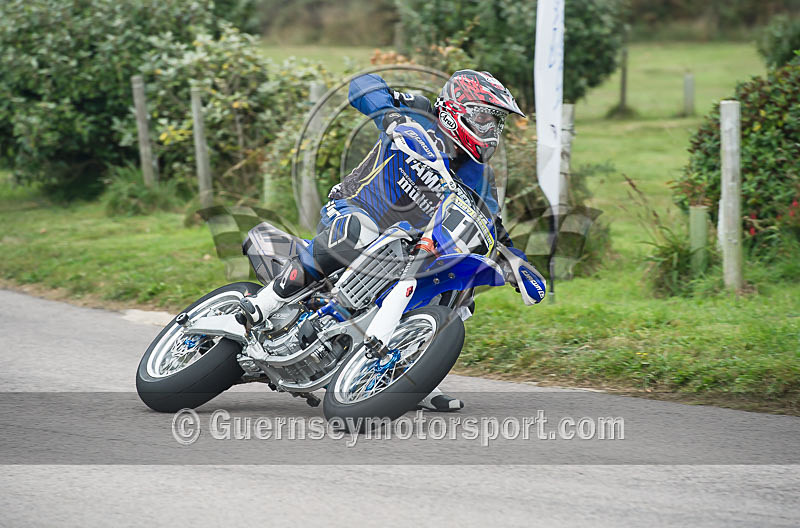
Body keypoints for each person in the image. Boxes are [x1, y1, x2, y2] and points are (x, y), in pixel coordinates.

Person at [239, 70, 527, 411]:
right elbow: (363, 85)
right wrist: (390, 117)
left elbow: (489, 221)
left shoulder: (480, 176)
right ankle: (265, 305)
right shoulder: (418, 112)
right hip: (354, 211)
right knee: (358, 232)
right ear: (456, 107)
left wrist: (512, 259)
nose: (491, 132)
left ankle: (409, 373)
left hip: (407, 251)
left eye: (496, 124)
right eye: (484, 119)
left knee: (457, 286)